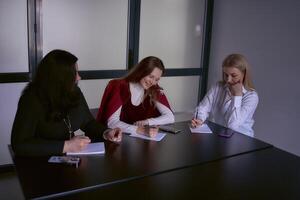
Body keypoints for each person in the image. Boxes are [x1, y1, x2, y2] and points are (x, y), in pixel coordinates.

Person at [11, 49, 122, 156]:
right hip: (40, 162)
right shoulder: (31, 99)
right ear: (60, 78)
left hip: (68, 159)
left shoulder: (74, 91)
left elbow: (87, 122)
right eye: (75, 73)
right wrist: (66, 146)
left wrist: (106, 132)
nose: (79, 77)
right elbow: (20, 144)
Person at [96, 56, 175, 137]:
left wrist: (147, 122)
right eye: (151, 77)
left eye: (157, 79)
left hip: (141, 141)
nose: (153, 82)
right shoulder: (119, 86)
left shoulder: (153, 89)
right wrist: (139, 130)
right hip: (118, 138)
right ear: (141, 71)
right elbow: (112, 122)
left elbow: (170, 117)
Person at [191, 53, 258, 137]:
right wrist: (199, 119)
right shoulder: (218, 87)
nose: (228, 80)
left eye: (234, 75)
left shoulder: (251, 97)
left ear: (243, 74)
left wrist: (237, 95)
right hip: (219, 135)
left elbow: (233, 126)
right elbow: (203, 107)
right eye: (226, 75)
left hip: (241, 138)